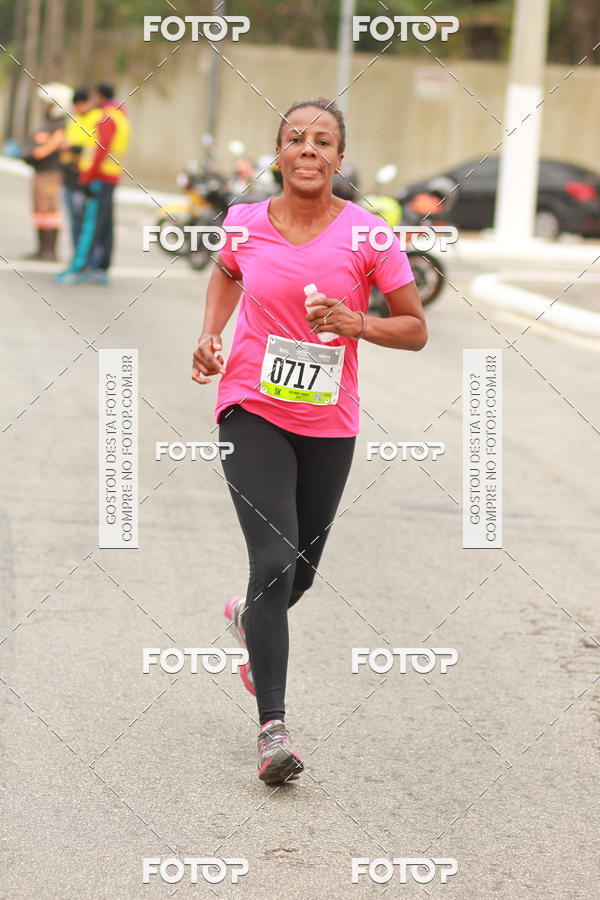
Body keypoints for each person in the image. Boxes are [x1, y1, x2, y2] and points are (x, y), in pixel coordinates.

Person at [191, 98, 427, 785]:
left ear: (338, 159)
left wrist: (357, 323)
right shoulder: (244, 225)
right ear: (278, 153)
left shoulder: (369, 236)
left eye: (323, 141)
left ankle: (246, 619)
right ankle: (273, 732)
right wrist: (211, 336)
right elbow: (227, 274)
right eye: (296, 139)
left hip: (329, 420)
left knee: (300, 572)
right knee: (272, 558)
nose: (309, 150)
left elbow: (414, 327)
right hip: (250, 407)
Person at [56, 82, 130, 284]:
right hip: (110, 176)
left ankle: (81, 268)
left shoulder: (106, 117)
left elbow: (100, 150)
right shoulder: (120, 115)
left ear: (99, 97)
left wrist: (87, 177)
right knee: (104, 224)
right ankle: (100, 268)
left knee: (92, 225)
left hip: (99, 177)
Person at [21, 83, 71, 261]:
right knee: (40, 212)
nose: (45, 107)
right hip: (40, 173)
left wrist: (33, 153)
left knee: (49, 211)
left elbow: (44, 149)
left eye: (48, 104)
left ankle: (49, 251)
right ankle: (41, 249)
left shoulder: (60, 127)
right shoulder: (48, 124)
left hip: (51, 174)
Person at [59, 87, 96, 251]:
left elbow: (92, 147)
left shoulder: (96, 119)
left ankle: (85, 258)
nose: (79, 108)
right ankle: (76, 256)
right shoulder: (73, 120)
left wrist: (72, 147)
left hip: (83, 177)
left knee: (83, 220)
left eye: (81, 104)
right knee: (73, 219)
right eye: (76, 105)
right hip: (69, 174)